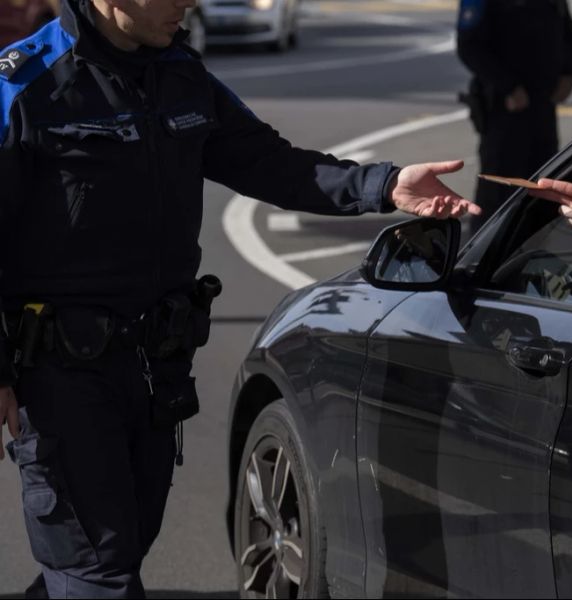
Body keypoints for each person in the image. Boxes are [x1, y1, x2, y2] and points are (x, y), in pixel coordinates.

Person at [0, 0, 486, 596]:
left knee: (115, 549)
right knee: (97, 568)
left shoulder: (181, 73)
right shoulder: (24, 83)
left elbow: (270, 163)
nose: (189, 4)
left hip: (156, 367)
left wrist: (383, 185)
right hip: (63, 373)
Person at [456, 0, 572, 234]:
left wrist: (570, 73)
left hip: (543, 104)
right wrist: (508, 86)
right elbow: (468, 46)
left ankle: (535, 259)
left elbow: (568, 31)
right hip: (504, 111)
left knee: (544, 187)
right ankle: (479, 262)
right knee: (498, 194)